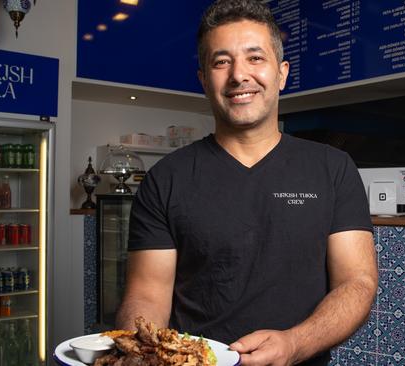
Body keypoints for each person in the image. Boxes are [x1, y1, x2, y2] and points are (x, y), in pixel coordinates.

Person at [115, 0, 378, 365]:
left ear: (282, 73)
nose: (239, 75)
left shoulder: (333, 168)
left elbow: (358, 283)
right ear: (204, 79)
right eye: (221, 62)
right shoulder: (165, 179)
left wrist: (294, 343)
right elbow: (146, 295)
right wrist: (144, 350)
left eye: (255, 58)